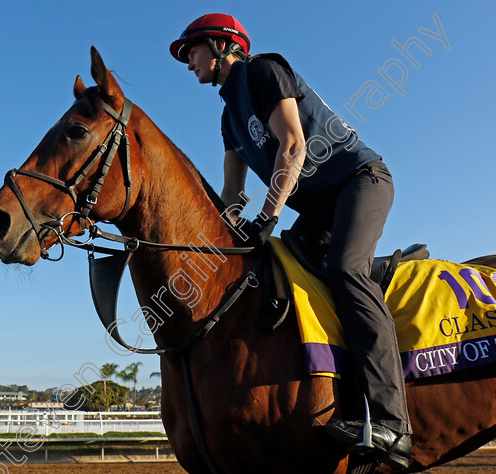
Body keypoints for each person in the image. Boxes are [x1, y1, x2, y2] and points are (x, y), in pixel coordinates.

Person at [170, 13, 412, 469]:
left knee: (346, 271)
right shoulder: (228, 117)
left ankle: (392, 424)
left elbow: (294, 145)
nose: (188, 62)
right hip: (320, 210)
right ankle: (346, 396)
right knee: (280, 267)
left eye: (192, 51)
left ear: (223, 46)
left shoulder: (262, 71)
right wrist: (209, 242)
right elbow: (230, 194)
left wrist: (269, 214)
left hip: (360, 182)